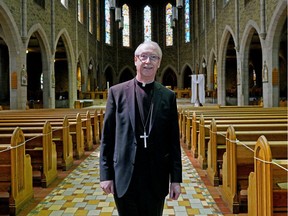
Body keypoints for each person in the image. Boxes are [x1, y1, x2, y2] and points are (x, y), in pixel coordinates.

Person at [99, 41, 182, 216]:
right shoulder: (117, 92)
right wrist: (105, 174)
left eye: (153, 57)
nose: (148, 61)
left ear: (159, 63)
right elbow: (107, 138)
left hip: (156, 178)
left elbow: (174, 142)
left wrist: (175, 180)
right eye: (143, 56)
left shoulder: (168, 97)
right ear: (135, 60)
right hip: (124, 176)